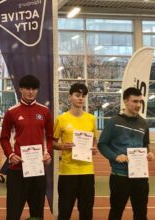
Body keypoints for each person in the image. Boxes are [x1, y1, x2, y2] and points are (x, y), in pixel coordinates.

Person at [0, 75, 53, 220]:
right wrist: (10, 155)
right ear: (20, 89)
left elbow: (50, 137)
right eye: (27, 88)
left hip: (37, 169)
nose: (30, 92)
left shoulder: (45, 111)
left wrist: (47, 153)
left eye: (34, 89)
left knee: (37, 213)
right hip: (17, 170)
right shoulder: (11, 112)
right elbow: (3, 138)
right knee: (13, 213)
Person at [98, 87, 154, 220]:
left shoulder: (143, 123)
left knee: (141, 214)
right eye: (135, 101)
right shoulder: (114, 122)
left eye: (140, 102)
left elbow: (145, 145)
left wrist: (149, 154)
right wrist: (115, 156)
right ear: (125, 102)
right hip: (120, 177)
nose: (138, 105)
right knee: (116, 213)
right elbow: (102, 144)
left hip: (140, 176)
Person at [53, 83, 98, 220]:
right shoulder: (61, 119)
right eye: (77, 95)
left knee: (86, 212)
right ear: (70, 97)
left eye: (83, 96)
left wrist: (94, 149)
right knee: (65, 211)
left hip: (87, 172)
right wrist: (63, 146)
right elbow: (53, 142)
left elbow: (94, 141)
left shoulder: (91, 119)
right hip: (68, 172)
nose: (81, 98)